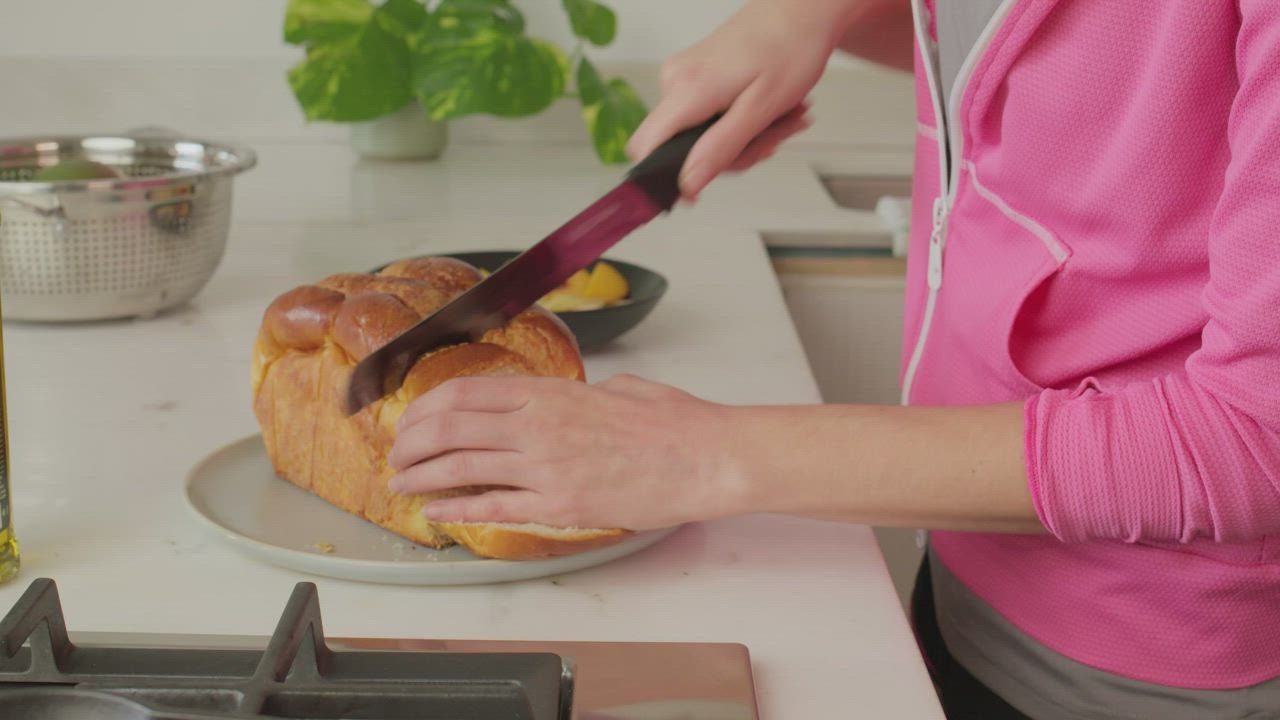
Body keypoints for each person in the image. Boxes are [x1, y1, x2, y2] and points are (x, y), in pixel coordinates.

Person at [385, 1, 1280, 717]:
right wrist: (817, 13)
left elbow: (1256, 441)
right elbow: (1096, 75)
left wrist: (702, 455)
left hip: (1147, 669)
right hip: (970, 579)